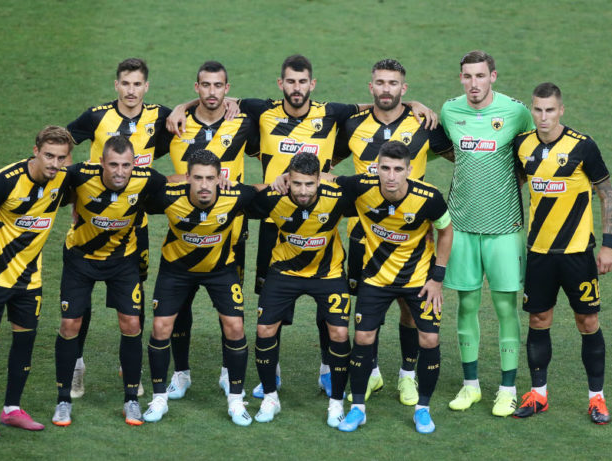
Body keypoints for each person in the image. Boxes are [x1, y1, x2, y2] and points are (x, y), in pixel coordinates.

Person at [167, 54, 436, 399]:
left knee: (328, 304)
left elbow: (379, 104)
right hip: (275, 221)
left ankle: (328, 370)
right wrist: (182, 106)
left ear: (312, 84)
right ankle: (273, 375)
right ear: (281, 84)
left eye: (302, 81)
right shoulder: (262, 110)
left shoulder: (332, 113)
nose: (297, 88)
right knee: (272, 303)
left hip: (321, 220)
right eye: (290, 82)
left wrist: (413, 104)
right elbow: (215, 98)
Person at [333, 58, 453, 406]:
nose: (387, 89)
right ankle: (371, 374)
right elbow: (327, 164)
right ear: (371, 86)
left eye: (393, 83)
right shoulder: (353, 124)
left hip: (412, 234)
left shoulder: (424, 122)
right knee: (366, 307)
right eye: (381, 83)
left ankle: (407, 375)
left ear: (404, 87)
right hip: (364, 235)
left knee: (409, 307)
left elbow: (460, 159)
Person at [66, 57, 171, 399]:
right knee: (81, 302)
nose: (131, 90)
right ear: (116, 85)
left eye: (137, 84)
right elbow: (61, 144)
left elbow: (196, 121)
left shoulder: (160, 116)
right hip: (92, 221)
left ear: (146, 87)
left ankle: (130, 369)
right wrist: (74, 192)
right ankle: (76, 365)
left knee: (133, 302)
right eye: (125, 83)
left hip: (133, 224)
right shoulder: (96, 116)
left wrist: (185, 108)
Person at [512, 83, 612, 424]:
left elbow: (606, 193)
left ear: (561, 110)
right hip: (539, 253)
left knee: (587, 321)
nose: (543, 117)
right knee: (538, 320)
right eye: (538, 110)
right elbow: (514, 185)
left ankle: (597, 399)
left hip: (577, 254)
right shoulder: (522, 145)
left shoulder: (583, 146)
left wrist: (608, 244)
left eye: (550, 110)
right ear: (532, 110)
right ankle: (538, 394)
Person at [154, 61, 258, 399]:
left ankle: (228, 372)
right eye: (205, 85)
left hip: (230, 232)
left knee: (230, 310)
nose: (212, 92)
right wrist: (180, 108)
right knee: (179, 308)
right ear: (196, 87)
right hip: (185, 230)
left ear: (227, 89)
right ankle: (181, 373)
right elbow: (142, 164)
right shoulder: (174, 124)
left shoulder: (243, 120)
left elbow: (281, 106)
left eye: (218, 86)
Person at [439, 50, 534, 416]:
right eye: (467, 76)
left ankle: (507, 389)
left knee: (506, 307)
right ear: (460, 78)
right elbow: (445, 149)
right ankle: (471, 386)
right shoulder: (450, 111)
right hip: (461, 227)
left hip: (505, 228)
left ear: (493, 76)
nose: (474, 83)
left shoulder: (516, 112)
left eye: (480, 76)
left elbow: (532, 153)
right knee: (466, 305)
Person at [51, 136, 168, 427]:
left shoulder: (146, 178)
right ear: (101, 162)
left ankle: (131, 399)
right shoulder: (80, 174)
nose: (119, 172)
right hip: (80, 259)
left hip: (123, 261)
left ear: (134, 164)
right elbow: (50, 176)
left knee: (132, 324)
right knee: (69, 324)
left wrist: (207, 180)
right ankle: (63, 400)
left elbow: (175, 185)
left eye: (126, 165)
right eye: (113, 164)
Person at [0, 125, 73, 437]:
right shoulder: (5, 180)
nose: (54, 164)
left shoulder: (64, 178)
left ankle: (12, 409)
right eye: (49, 156)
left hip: (29, 279)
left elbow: (97, 180)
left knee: (25, 341)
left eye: (61, 158)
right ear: (36, 151)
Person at [143, 149, 256, 426]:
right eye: (197, 178)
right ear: (188, 178)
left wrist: (284, 180)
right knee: (160, 327)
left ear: (219, 178)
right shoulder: (168, 196)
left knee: (235, 326)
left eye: (210, 178)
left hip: (220, 270)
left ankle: (236, 399)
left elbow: (265, 193)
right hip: (176, 270)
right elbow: (136, 191)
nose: (204, 185)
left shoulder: (235, 195)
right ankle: (161, 396)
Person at [249, 152, 353, 426]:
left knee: (340, 333)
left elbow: (366, 185)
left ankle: (336, 402)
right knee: (265, 330)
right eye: (296, 183)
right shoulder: (274, 196)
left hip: (328, 273)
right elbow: (243, 196)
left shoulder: (337, 195)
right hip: (284, 272)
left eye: (309, 184)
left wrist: (330, 177)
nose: (303, 191)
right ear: (288, 180)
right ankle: (270, 397)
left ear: (319, 180)